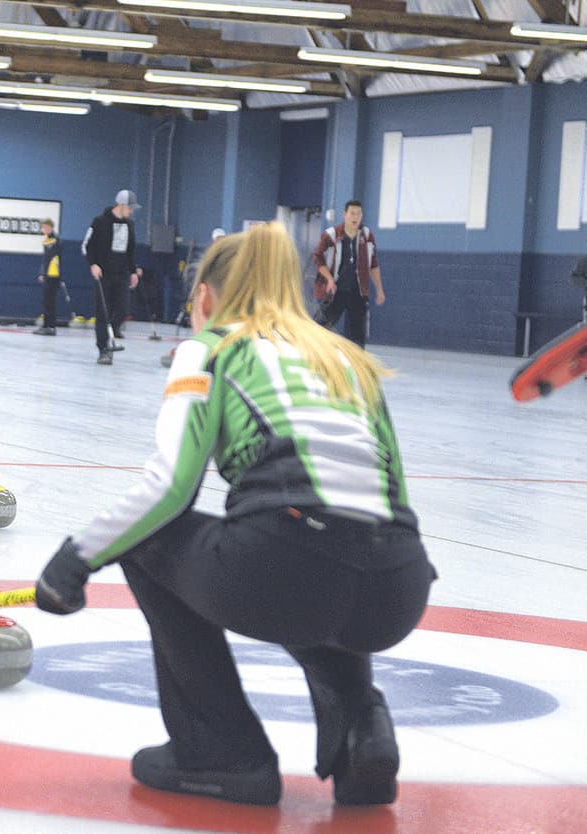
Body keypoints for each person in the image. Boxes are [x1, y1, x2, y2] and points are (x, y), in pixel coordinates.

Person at [35, 221, 436, 807]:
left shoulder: (211, 346)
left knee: (148, 539)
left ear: (204, 298)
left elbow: (171, 489)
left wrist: (75, 560)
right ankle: (361, 727)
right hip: (398, 587)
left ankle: (220, 751)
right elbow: (391, 491)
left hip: (290, 570)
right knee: (330, 549)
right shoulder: (346, 357)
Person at [312, 199, 384, 347]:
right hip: (335, 292)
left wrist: (379, 289)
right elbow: (318, 258)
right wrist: (329, 279)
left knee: (358, 337)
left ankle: (357, 366)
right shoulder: (330, 235)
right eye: (352, 213)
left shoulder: (367, 236)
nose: (355, 217)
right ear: (345, 215)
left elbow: (374, 264)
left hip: (357, 293)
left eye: (358, 214)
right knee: (318, 328)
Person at [84, 190, 141, 364]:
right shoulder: (99, 222)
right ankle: (103, 348)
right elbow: (87, 245)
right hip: (104, 274)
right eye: (130, 208)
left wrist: (133, 271)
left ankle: (112, 333)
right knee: (103, 313)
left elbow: (131, 250)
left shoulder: (130, 225)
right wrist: (93, 264)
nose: (132, 212)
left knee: (123, 309)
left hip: (122, 274)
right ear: (121, 205)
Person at [33, 218, 62, 336]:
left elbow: (49, 259)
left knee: (50, 302)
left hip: (53, 275)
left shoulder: (54, 240)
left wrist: (44, 274)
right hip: (48, 274)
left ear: (50, 227)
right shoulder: (48, 239)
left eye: (45, 227)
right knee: (46, 301)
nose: (43, 229)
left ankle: (51, 326)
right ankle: (46, 325)